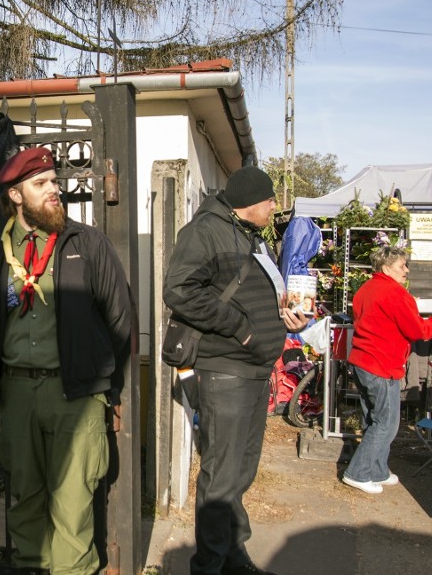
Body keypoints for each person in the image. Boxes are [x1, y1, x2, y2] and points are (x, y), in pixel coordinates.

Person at [0, 147, 132, 575]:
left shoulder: (88, 244)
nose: (54, 190)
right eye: (41, 184)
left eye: (54, 182)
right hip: (18, 393)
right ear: (16, 195)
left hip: (75, 396)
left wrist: (106, 389)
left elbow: (120, 322)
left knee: (73, 502)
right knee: (24, 498)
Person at [163, 166, 307, 575]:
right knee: (222, 475)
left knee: (241, 471)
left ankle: (231, 556)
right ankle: (207, 565)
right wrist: (241, 329)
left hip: (255, 371)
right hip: (225, 370)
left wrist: (284, 318)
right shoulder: (205, 231)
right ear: (249, 201)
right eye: (270, 200)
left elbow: (256, 293)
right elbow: (178, 290)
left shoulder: (252, 237)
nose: (274, 207)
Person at [341, 246, 432, 494]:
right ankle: (358, 473)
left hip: (364, 361)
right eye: (402, 266)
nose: (406, 270)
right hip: (382, 364)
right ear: (386, 268)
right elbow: (417, 330)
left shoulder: (366, 289)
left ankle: (377, 470)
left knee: (375, 419)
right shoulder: (395, 293)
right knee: (387, 423)